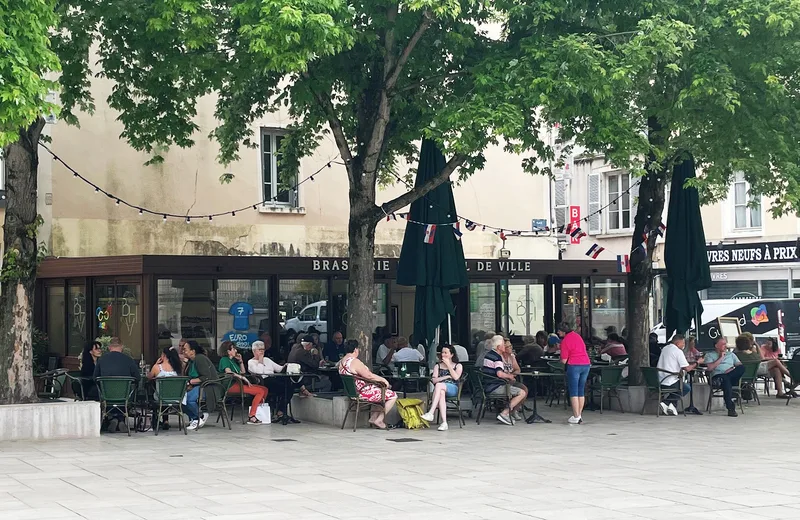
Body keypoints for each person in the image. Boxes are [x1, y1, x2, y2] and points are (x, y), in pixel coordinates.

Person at [338, 339, 398, 429]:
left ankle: (373, 418)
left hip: (353, 392)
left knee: (380, 391)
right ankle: (379, 419)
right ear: (355, 349)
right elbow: (369, 376)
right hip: (362, 392)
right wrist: (383, 380)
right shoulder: (354, 362)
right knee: (393, 395)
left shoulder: (342, 362)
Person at [93, 337, 140, 433]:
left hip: (107, 396)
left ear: (109, 347)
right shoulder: (128, 360)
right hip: (125, 397)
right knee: (125, 395)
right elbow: (137, 377)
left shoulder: (102, 360)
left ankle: (113, 418)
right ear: (122, 347)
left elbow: (95, 377)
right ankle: (120, 419)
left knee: (110, 396)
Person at [218, 341, 269, 425]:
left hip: (238, 384)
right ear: (228, 351)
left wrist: (241, 361)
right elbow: (228, 372)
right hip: (230, 385)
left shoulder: (233, 361)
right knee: (260, 391)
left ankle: (257, 412)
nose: (236, 351)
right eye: (234, 349)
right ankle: (252, 416)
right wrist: (242, 377)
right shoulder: (224, 360)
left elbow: (243, 372)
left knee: (264, 389)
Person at [481, 335, 528, 425]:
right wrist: (509, 376)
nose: (505, 347)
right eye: (503, 345)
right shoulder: (497, 357)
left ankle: (509, 412)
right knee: (522, 393)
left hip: (488, 385)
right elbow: (499, 373)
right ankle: (505, 413)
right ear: (499, 347)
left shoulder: (488, 355)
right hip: (495, 387)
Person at [656, 334, 701, 416]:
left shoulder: (665, 348)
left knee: (679, 384)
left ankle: (671, 407)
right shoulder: (678, 351)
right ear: (678, 343)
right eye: (683, 343)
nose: (684, 345)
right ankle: (666, 402)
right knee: (686, 388)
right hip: (669, 381)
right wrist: (698, 362)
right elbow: (687, 368)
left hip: (659, 380)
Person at [248, 340, 293, 422]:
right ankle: (280, 412)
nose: (262, 352)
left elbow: (279, 369)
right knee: (283, 386)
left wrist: (286, 366)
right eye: (259, 350)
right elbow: (259, 372)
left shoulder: (267, 360)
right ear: (254, 351)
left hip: (274, 378)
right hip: (264, 381)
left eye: (263, 350)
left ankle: (280, 411)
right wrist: (260, 361)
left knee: (290, 387)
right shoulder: (251, 362)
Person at [421, 344, 463, 431]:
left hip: (453, 388)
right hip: (440, 389)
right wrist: (446, 377)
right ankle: (444, 423)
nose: (443, 354)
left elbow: (456, 377)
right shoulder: (438, 366)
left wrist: (448, 365)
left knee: (439, 386)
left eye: (446, 353)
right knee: (441, 392)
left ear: (451, 355)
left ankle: (431, 412)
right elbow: (434, 380)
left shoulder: (458, 366)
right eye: (442, 352)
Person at [557, 322, 591, 425]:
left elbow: (563, 360)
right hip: (586, 364)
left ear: (563, 332)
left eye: (559, 331)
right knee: (581, 390)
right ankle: (579, 415)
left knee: (573, 391)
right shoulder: (577, 336)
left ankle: (576, 416)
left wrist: (559, 359)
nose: (558, 333)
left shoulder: (565, 341)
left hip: (574, 365)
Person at [183, 340, 220, 430]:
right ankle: (200, 416)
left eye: (185, 349)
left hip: (208, 387)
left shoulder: (200, 359)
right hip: (198, 386)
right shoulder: (190, 361)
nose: (183, 351)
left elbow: (206, 377)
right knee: (180, 401)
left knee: (189, 399)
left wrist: (191, 382)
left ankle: (197, 419)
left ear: (193, 351)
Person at [703, 337, 744, 417]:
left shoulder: (731, 354)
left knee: (741, 368)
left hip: (730, 376)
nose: (725, 346)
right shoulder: (709, 355)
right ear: (716, 346)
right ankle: (731, 408)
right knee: (725, 380)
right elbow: (710, 368)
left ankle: (730, 408)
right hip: (718, 378)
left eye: (726, 344)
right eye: (723, 344)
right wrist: (721, 357)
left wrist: (732, 369)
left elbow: (739, 366)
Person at [148, 347, 181, 430]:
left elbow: (149, 377)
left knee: (157, 394)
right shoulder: (178, 368)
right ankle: (166, 421)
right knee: (166, 393)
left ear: (164, 355)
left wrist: (155, 364)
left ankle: (155, 420)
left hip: (161, 396)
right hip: (176, 397)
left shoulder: (157, 367)